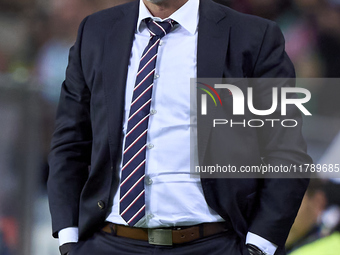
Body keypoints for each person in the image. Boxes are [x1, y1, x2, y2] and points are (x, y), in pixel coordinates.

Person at [47, 0, 312, 254]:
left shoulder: (252, 36)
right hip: (107, 241)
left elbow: (286, 152)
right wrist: (69, 239)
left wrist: (259, 246)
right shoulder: (96, 31)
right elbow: (70, 143)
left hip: (215, 243)